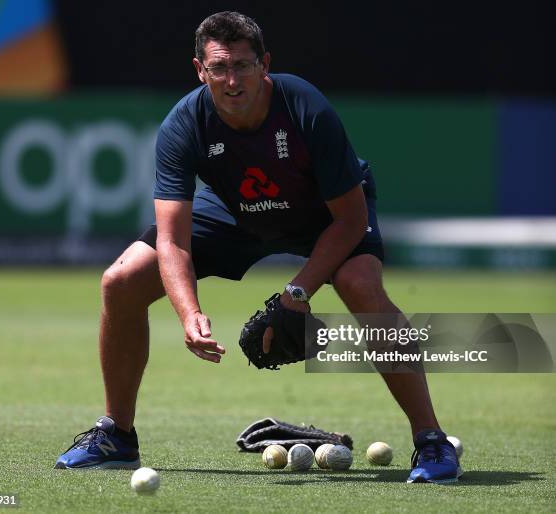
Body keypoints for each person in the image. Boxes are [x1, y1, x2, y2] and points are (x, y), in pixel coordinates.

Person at [55, 11, 461, 484]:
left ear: (264, 64)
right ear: (199, 70)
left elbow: (350, 220)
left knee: (359, 283)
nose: (232, 81)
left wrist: (298, 293)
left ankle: (431, 441)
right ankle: (116, 435)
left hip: (323, 212)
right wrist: (189, 313)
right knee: (121, 280)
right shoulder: (184, 124)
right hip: (235, 211)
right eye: (220, 68)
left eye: (243, 66)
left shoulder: (304, 105)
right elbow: (172, 239)